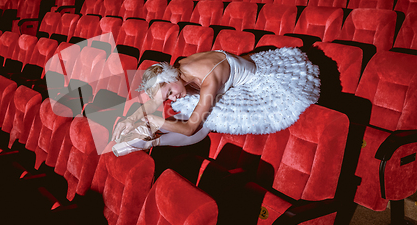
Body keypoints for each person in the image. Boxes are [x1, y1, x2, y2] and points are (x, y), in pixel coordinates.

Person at [111, 47, 321, 156]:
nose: (172, 99)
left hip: (255, 82)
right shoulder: (177, 71)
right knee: (187, 110)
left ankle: (149, 142)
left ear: (171, 78)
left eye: (170, 93)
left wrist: (155, 122)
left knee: (204, 124)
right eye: (168, 97)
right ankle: (139, 139)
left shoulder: (208, 80)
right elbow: (154, 100)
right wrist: (132, 119)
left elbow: (190, 129)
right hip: (227, 75)